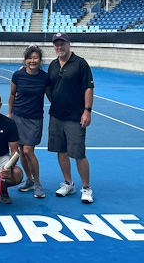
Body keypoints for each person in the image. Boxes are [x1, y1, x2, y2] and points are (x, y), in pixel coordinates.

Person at [47, 32, 95, 203]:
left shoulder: (80, 64)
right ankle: (69, 183)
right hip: (56, 116)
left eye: (62, 44)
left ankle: (86, 187)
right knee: (61, 151)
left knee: (78, 153)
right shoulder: (52, 65)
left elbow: (88, 88)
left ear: (69, 44)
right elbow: (48, 87)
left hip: (75, 117)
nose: (59, 47)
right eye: (56, 44)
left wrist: (87, 111)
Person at [8, 44, 51, 198]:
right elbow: (12, 95)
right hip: (18, 116)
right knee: (20, 151)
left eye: (35, 57)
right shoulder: (18, 75)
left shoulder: (45, 78)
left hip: (34, 119)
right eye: (30, 58)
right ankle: (29, 180)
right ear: (25, 60)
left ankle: (38, 183)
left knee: (28, 150)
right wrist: (9, 114)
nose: (33, 60)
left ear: (40, 60)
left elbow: (51, 96)